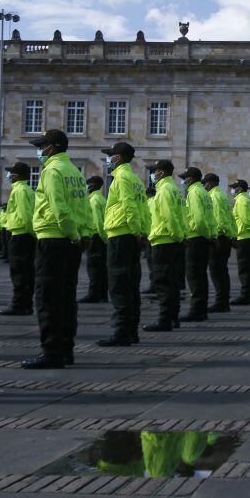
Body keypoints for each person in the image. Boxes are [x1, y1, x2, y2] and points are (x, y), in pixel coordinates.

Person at [22, 129, 88, 369]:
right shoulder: (75, 172)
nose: (40, 151)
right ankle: (66, 349)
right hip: (72, 241)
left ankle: (51, 351)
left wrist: (71, 232)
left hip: (53, 238)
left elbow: (59, 206)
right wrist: (82, 234)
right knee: (67, 297)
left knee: (48, 297)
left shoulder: (52, 170)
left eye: (42, 146)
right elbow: (83, 206)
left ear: (53, 147)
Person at [97, 142, 149, 347]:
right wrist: (142, 232)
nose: (108, 159)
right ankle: (131, 330)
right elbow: (143, 209)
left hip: (121, 235)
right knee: (131, 284)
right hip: (131, 235)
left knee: (119, 285)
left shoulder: (121, 178)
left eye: (110, 156)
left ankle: (122, 332)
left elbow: (129, 206)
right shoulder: (135, 179)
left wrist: (136, 230)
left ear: (117, 158)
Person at [143, 160, 187, 331]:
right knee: (173, 282)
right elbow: (181, 215)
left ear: (161, 173)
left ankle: (165, 319)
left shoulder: (163, 191)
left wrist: (177, 236)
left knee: (163, 282)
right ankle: (173, 317)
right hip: (173, 241)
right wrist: (181, 236)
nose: (153, 174)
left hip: (164, 240)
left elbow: (169, 217)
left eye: (154, 171)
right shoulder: (174, 189)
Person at [0, 162, 37, 316]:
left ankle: (19, 304)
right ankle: (26, 304)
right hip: (25, 235)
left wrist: (30, 233)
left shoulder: (19, 190)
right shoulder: (27, 189)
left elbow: (25, 216)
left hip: (21, 235)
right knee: (27, 271)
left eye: (12, 173)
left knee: (19, 271)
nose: (9, 175)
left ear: (18, 175)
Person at [179, 167, 216, 322]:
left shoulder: (194, 193)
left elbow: (199, 219)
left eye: (185, 178)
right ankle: (202, 309)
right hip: (204, 238)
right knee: (201, 275)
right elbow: (211, 217)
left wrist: (198, 233)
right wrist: (209, 235)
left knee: (194, 276)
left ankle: (196, 310)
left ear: (190, 179)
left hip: (195, 237)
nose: (183, 181)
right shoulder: (204, 193)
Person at [203, 173, 234, 313]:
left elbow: (218, 219)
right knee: (222, 271)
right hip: (225, 237)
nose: (204, 186)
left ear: (209, 183)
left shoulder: (214, 197)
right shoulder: (222, 196)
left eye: (205, 183)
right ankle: (224, 300)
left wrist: (215, 235)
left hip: (219, 237)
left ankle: (221, 302)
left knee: (217, 271)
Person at [79, 176, 108, 304]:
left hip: (96, 236)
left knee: (94, 267)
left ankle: (93, 294)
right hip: (102, 237)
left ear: (93, 186)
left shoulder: (93, 200)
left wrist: (103, 237)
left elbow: (98, 221)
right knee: (102, 267)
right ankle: (103, 294)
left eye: (88, 185)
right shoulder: (102, 199)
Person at [229, 179, 250, 305]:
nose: (232, 190)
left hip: (244, 237)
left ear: (239, 189)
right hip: (249, 236)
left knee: (244, 268)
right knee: (248, 267)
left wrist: (245, 231)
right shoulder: (248, 200)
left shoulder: (241, 201)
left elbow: (245, 220)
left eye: (234, 188)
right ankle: (248, 294)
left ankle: (245, 295)